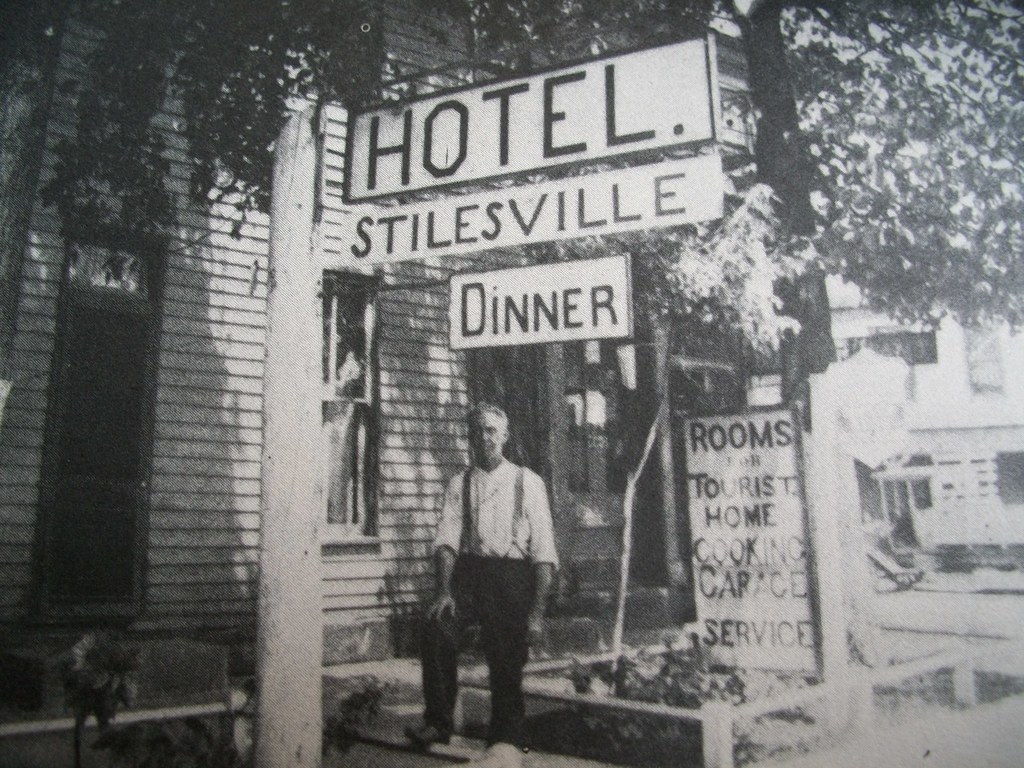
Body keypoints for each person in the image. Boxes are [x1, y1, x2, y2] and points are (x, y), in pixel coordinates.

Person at [406, 402, 558, 766]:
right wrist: (444, 591)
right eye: (477, 430)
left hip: (513, 578)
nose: (484, 437)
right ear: (470, 436)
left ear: (504, 436)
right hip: (471, 577)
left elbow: (545, 556)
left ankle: (505, 737)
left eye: (491, 430)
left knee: (505, 645)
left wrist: (536, 614)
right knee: (437, 626)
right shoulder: (460, 484)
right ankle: (438, 722)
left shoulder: (529, 481)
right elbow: (445, 542)